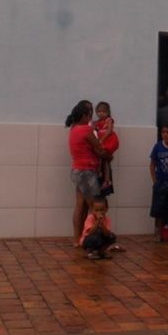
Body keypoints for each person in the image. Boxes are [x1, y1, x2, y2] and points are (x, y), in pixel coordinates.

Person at [66, 100, 109, 247]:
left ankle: (77, 239)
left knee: (80, 206)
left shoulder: (74, 128)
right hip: (86, 171)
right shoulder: (85, 129)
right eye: (90, 113)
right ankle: (94, 239)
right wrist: (108, 155)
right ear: (85, 115)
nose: (92, 116)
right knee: (95, 206)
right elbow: (99, 149)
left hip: (78, 171)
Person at [80, 195, 125, 259]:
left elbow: (107, 234)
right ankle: (90, 252)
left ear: (106, 209)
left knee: (111, 236)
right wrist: (97, 221)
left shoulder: (107, 219)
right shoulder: (90, 218)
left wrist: (102, 225)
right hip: (87, 240)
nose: (99, 212)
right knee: (97, 233)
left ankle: (101, 251)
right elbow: (91, 232)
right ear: (92, 210)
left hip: (99, 238)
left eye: (102, 210)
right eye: (96, 210)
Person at [93, 101, 119, 196]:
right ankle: (100, 174)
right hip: (102, 141)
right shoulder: (97, 122)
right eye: (99, 111)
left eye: (104, 111)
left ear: (108, 112)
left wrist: (101, 139)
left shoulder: (109, 120)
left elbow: (109, 131)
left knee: (106, 159)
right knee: (102, 158)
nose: (101, 113)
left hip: (108, 140)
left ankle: (107, 180)